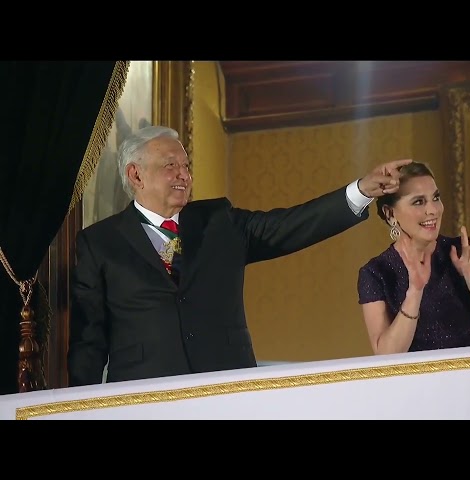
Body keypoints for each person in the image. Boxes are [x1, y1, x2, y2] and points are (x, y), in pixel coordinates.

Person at [67, 125, 412, 386]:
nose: (184, 175)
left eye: (186, 166)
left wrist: (361, 191)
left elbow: (292, 225)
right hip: (143, 398)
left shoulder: (220, 222)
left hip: (226, 389)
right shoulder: (99, 243)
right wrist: (78, 407)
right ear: (136, 174)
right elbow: (89, 341)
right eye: (170, 165)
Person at [357, 161, 470, 354]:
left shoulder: (468, 251)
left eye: (436, 198)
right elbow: (387, 356)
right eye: (419, 201)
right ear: (390, 214)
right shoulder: (376, 272)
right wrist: (415, 290)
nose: (433, 210)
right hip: (421, 383)